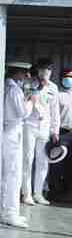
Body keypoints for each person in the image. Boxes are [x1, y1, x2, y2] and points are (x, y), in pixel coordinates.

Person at [22, 58, 60, 206]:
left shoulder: (53, 88)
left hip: (44, 128)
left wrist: (55, 130)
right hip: (30, 125)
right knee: (27, 159)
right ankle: (26, 193)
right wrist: (36, 88)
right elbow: (25, 103)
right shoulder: (30, 84)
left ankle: (38, 193)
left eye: (48, 70)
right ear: (38, 71)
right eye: (43, 69)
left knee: (43, 161)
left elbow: (54, 111)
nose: (46, 72)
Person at [1, 62, 33, 228]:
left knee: (12, 173)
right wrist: (30, 101)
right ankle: (8, 213)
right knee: (12, 174)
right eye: (25, 72)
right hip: (11, 132)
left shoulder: (9, 86)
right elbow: (23, 113)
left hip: (11, 131)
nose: (26, 76)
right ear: (18, 73)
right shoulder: (13, 89)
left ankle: (10, 211)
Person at [48, 68, 72, 201]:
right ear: (62, 79)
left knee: (69, 164)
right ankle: (54, 191)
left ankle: (68, 191)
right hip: (61, 133)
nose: (69, 79)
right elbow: (54, 115)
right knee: (57, 163)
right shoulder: (58, 94)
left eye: (71, 77)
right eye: (67, 77)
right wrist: (54, 131)